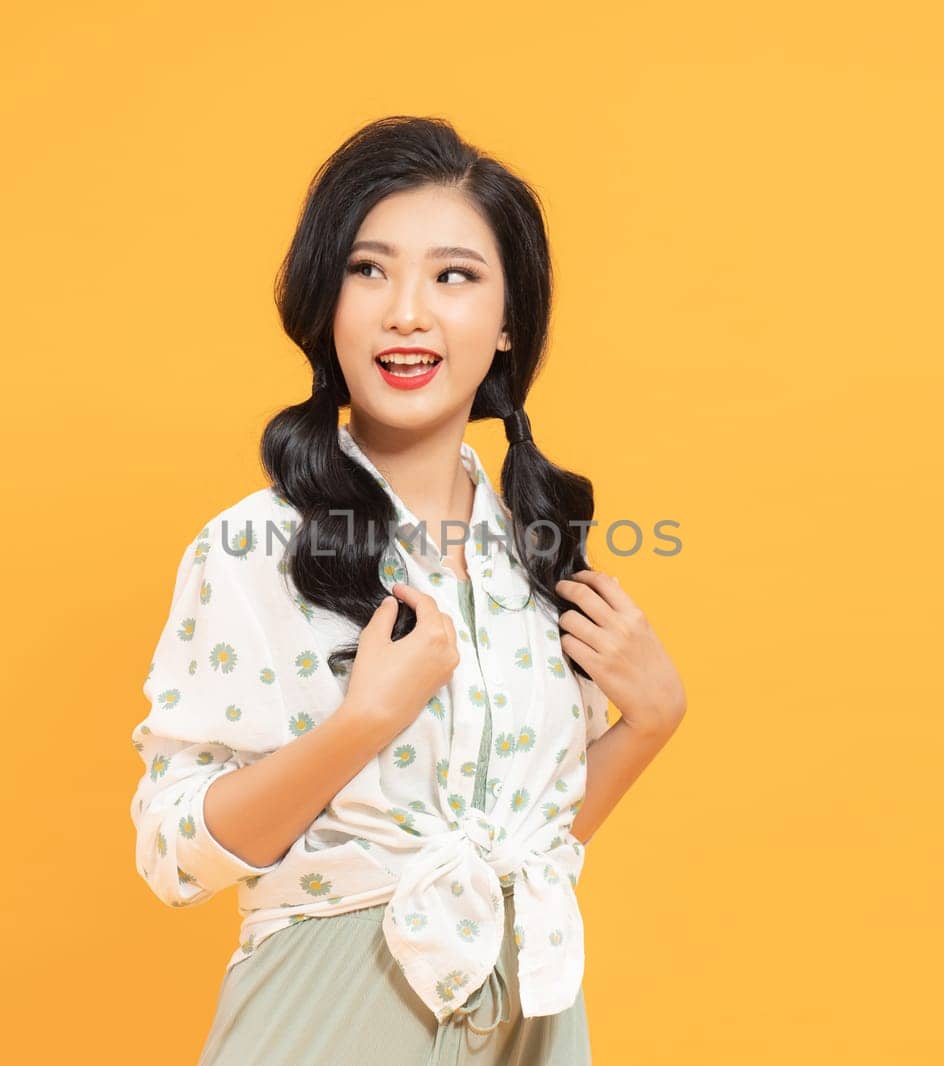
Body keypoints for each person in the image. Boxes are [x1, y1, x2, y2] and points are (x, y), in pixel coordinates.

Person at [128, 115, 688, 1065]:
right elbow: (172, 856)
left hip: (535, 1012)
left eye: (454, 275)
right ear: (326, 304)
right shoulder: (253, 547)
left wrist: (651, 725)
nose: (407, 313)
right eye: (368, 270)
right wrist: (362, 722)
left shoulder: (538, 555)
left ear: (509, 320)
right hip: (334, 1011)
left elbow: (525, 847)